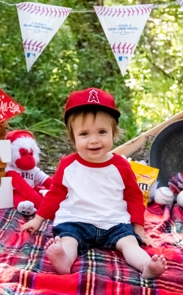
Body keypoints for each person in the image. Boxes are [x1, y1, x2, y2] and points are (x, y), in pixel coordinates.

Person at [20, 88, 167, 279]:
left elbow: (134, 196)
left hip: (113, 222)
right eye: (84, 134)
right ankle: (64, 259)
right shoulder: (68, 165)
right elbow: (55, 194)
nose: (94, 140)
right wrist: (38, 219)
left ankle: (146, 265)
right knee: (68, 239)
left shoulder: (121, 165)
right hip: (76, 220)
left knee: (130, 242)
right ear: (73, 137)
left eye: (102, 132)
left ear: (113, 133)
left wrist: (139, 228)